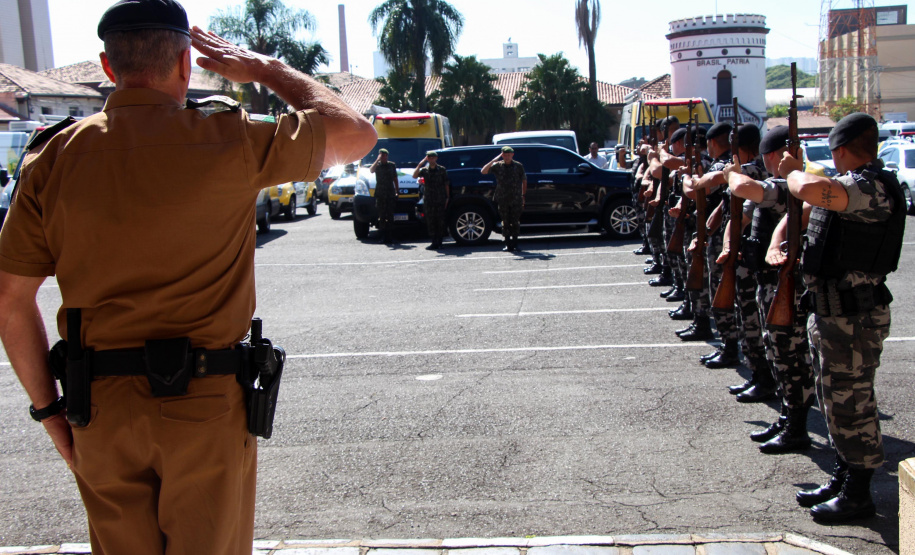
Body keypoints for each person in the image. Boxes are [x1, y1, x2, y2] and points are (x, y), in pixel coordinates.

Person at [0, 1, 376, 553]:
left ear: (108, 67)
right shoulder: (230, 139)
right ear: (184, 64)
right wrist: (266, 69)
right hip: (204, 403)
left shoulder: (53, 157)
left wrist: (52, 414)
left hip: (99, 409)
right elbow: (356, 134)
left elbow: (10, 301)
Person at [777, 113, 905, 522]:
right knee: (835, 402)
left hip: (855, 318)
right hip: (835, 314)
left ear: (841, 150)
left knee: (853, 405)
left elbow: (808, 188)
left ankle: (858, 495)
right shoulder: (854, 183)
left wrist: (793, 171)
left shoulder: (871, 187)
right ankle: (844, 475)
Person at [482, 146, 527, 252]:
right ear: (502, 155)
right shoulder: (498, 166)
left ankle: (515, 244)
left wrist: (523, 195)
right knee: (505, 222)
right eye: (505, 155)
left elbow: (524, 180)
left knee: (515, 222)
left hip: (516, 198)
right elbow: (483, 171)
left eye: (509, 155)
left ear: (512, 155)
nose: (507, 157)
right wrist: (494, 160)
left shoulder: (518, 166)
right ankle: (507, 244)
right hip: (503, 199)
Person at [413, 151, 450, 250]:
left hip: (440, 198)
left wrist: (447, 197)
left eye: (433, 157)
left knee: (440, 221)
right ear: (427, 159)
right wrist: (420, 164)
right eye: (429, 157)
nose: (431, 159)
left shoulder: (442, 169)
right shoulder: (424, 170)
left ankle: (440, 242)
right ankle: (434, 242)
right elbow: (414, 176)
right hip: (429, 199)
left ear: (436, 158)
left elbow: (446, 184)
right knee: (430, 221)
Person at [370, 148, 399, 244]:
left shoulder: (392, 165)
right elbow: (371, 170)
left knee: (390, 216)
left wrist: (397, 191)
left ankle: (390, 237)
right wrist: (377, 160)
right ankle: (382, 236)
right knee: (382, 216)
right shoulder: (377, 165)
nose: (384, 157)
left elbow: (395, 178)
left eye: (385, 155)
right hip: (380, 193)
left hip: (390, 193)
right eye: (382, 155)